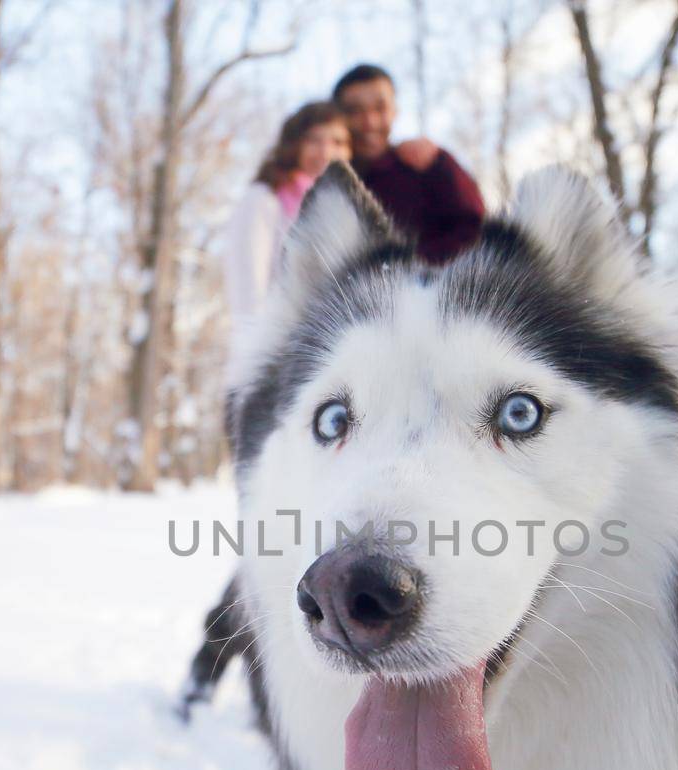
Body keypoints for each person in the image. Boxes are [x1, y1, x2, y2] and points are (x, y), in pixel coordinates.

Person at [178, 74, 486, 720]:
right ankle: (236, 675)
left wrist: (442, 162)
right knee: (275, 540)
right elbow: (260, 308)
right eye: (323, 135)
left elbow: (466, 236)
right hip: (284, 393)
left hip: (388, 393)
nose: (336, 146)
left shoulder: (401, 174)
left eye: (343, 137)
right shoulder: (274, 202)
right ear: (295, 142)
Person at [221, 100, 352, 394]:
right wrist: (259, 366)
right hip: (276, 362)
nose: (327, 152)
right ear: (294, 145)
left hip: (327, 360)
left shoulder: (345, 212)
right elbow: (248, 291)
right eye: (315, 140)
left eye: (338, 142)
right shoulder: (264, 200)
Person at [332, 63, 484, 265]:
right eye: (355, 111)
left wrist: (407, 265)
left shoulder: (427, 164)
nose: (370, 122)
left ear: (395, 110)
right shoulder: (323, 178)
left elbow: (476, 231)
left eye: (380, 108)